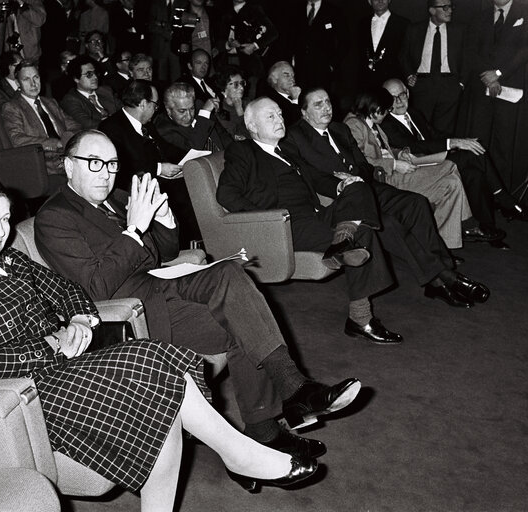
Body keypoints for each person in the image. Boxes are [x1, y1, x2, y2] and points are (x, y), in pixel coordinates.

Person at [0, 173, 321, 510]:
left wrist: (80, 316)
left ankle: (237, 456)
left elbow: (68, 291)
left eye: (6, 219)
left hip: (70, 367)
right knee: (153, 362)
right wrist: (52, 345)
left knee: (160, 390)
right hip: (32, 389)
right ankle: (239, 453)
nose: (1, 231)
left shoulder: (12, 259)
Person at [35, 129, 362, 448]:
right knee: (239, 317)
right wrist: (134, 228)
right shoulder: (54, 217)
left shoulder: (119, 200)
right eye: (94, 162)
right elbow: (94, 288)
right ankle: (290, 398)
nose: (105, 173)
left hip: (161, 286)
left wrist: (164, 220)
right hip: (130, 314)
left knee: (233, 287)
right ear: (68, 165)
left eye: (112, 163)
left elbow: (160, 253)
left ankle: (273, 418)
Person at [284, 87, 491, 310]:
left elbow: (363, 164)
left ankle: (442, 272)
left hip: (366, 187)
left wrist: (357, 176)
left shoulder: (340, 129)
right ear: (304, 112)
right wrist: (340, 183)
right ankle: (442, 278)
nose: (326, 107)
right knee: (389, 223)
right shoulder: (295, 137)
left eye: (328, 102)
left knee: (416, 203)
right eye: (318, 104)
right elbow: (308, 176)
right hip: (338, 198)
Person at [218, 97, 402, 344]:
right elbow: (226, 194)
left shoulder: (288, 149)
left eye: (280, 114)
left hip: (315, 215)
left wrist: (340, 184)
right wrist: (267, 220)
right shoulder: (242, 151)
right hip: (285, 225)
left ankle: (342, 238)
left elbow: (314, 178)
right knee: (364, 234)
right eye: (270, 116)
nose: (280, 120)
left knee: (359, 187)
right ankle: (361, 319)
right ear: (252, 126)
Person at [380, 79, 528, 248]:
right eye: (393, 97)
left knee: (475, 173)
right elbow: (415, 147)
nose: (399, 101)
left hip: (436, 161)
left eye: (402, 94)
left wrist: (463, 139)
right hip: (417, 168)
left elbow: (436, 135)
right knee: (473, 155)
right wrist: (455, 143)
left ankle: (487, 229)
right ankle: (506, 202)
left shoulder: (414, 114)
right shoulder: (386, 123)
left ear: (408, 92)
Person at [343, 87, 472, 249]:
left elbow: (385, 149)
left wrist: (401, 153)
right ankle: (468, 223)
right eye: (386, 109)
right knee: (450, 165)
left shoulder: (372, 123)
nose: (387, 113)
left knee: (451, 183)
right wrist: (395, 164)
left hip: (394, 172)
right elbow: (360, 161)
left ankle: (442, 246)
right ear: (375, 108)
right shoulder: (353, 125)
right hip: (385, 178)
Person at [98, 79, 200, 247]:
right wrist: (159, 169)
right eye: (155, 105)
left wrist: (194, 157)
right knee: (185, 197)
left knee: (196, 185)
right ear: (144, 104)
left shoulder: (147, 125)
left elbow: (166, 148)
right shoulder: (112, 128)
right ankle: (184, 248)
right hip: (135, 190)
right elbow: (120, 168)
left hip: (159, 182)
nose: (156, 109)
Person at [462, 0, 528, 194]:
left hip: (509, 90)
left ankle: (503, 199)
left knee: (503, 145)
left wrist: (498, 74)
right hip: (481, 89)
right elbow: (471, 51)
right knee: (478, 143)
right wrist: (488, 78)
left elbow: (525, 51)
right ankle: (478, 194)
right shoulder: (480, 16)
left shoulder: (527, 13)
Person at [1, 61, 80, 191]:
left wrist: (68, 140)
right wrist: (57, 144)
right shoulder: (12, 107)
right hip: (44, 162)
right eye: (26, 79)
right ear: (17, 83)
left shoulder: (50, 103)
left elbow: (75, 125)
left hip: (68, 156)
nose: (33, 84)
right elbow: (17, 139)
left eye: (36, 77)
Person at [399, 0, 464, 137]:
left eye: (451, 7)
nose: (450, 11)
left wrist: (461, 83)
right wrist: (410, 75)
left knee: (445, 131)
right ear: (432, 10)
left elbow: (467, 57)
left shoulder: (459, 30)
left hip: (449, 85)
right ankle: (422, 158)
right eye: (445, 8)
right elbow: (403, 55)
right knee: (420, 128)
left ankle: (442, 158)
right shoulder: (414, 29)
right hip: (422, 85)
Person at [155, 82, 233, 153]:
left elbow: (223, 135)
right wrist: (204, 114)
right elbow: (193, 150)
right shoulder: (163, 129)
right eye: (182, 111)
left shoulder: (199, 106)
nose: (189, 116)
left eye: (192, 108)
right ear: (168, 110)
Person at [291, 0, 348, 93]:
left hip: (323, 72)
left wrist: (331, 65)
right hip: (299, 71)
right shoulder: (296, 9)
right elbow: (289, 38)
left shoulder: (334, 11)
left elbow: (345, 42)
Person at [358, 0, 408, 90]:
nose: (380, 1)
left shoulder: (403, 24)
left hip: (393, 81)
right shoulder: (362, 23)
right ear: (369, 1)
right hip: (368, 81)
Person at [60, 56, 120, 130]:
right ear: (76, 79)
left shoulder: (106, 90)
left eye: (95, 73)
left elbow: (124, 111)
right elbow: (88, 125)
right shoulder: (70, 100)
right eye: (89, 74)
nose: (95, 77)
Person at [214, 66, 250, 141]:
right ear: (224, 90)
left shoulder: (248, 103)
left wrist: (240, 111)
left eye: (242, 83)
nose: (241, 88)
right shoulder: (220, 111)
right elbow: (233, 137)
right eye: (236, 84)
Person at [265, 61, 302, 126]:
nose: (292, 79)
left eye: (293, 76)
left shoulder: (299, 97)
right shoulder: (271, 101)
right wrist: (295, 100)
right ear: (274, 79)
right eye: (287, 75)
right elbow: (294, 125)